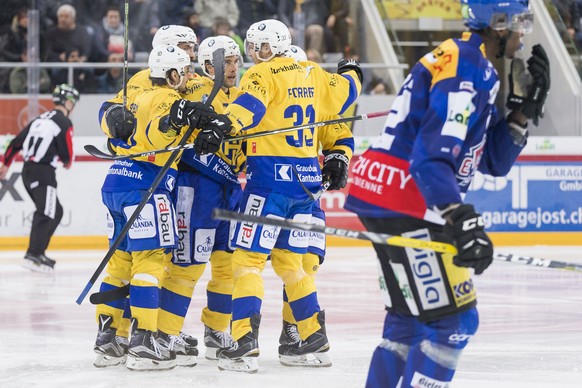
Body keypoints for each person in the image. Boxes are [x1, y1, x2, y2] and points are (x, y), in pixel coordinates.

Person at [344, 1, 550, 387]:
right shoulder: (467, 67)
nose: (523, 33)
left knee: (407, 323)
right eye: (519, 22)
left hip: (385, 194)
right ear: (497, 24)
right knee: (453, 322)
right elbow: (431, 158)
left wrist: (522, 113)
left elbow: (488, 161)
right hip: (409, 199)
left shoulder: (471, 62)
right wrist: (458, 213)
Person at [193, 19, 362, 373]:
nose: (252, 54)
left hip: (268, 185)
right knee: (290, 264)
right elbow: (347, 93)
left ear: (268, 47)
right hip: (305, 185)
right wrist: (352, 71)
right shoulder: (313, 72)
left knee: (246, 262)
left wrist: (221, 127)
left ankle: (242, 343)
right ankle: (313, 336)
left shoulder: (263, 74)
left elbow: (248, 108)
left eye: (256, 47)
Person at [92, 44, 213, 371]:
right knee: (151, 261)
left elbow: (117, 120)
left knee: (119, 265)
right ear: (172, 74)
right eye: (184, 71)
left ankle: (108, 339)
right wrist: (185, 114)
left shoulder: (134, 95)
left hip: (116, 181)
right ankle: (145, 340)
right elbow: (163, 122)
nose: (188, 76)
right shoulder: (168, 99)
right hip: (149, 186)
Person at [157, 35, 245, 362]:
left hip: (229, 190)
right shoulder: (193, 88)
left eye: (237, 61)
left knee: (228, 264)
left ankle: (217, 328)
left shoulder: (242, 96)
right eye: (228, 62)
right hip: (196, 188)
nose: (234, 68)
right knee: (187, 264)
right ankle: (164, 332)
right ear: (209, 66)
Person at [277, 44, 355, 367]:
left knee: (306, 263)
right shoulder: (271, 94)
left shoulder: (317, 100)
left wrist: (339, 157)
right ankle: (225, 332)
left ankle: (291, 332)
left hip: (308, 196)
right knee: (242, 265)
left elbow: (341, 137)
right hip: (274, 194)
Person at [0, 84, 79, 272]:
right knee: (46, 212)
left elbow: (15, 142)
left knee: (55, 211)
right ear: (68, 103)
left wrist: (6, 163)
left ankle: (38, 252)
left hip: (28, 170)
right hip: (43, 171)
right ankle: (33, 254)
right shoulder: (64, 122)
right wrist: (66, 162)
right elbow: (68, 154)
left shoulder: (39, 119)